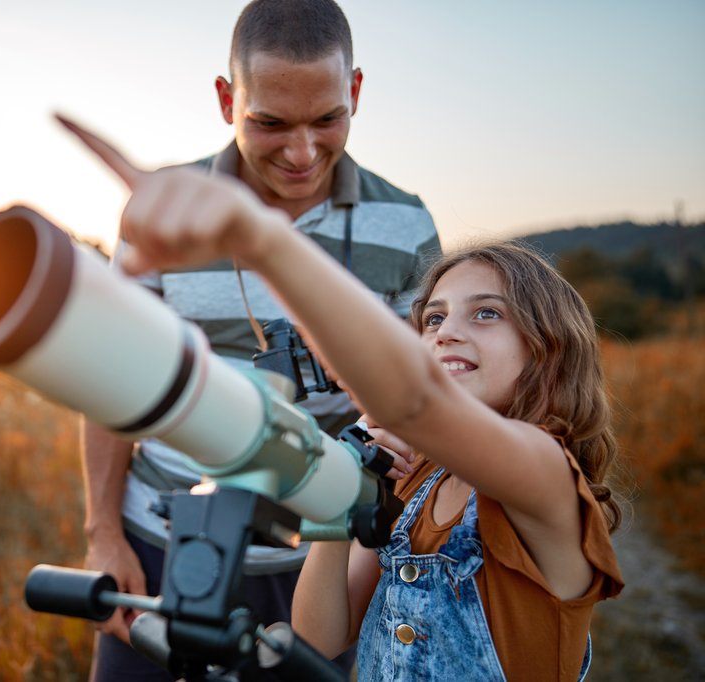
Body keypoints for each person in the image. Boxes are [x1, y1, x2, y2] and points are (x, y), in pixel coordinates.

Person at [56, 115, 626, 680]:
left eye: (486, 313)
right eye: (432, 318)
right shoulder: (416, 481)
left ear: (548, 350)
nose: (446, 332)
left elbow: (416, 401)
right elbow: (320, 634)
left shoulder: (546, 474)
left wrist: (258, 240)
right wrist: (344, 494)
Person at [79, 1, 441, 679]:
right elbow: (109, 385)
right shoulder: (162, 213)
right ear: (226, 99)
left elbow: (425, 404)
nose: (302, 153)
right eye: (270, 123)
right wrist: (103, 535)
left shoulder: (407, 225)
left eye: (328, 119)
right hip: (163, 546)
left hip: (328, 564)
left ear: (355, 90)